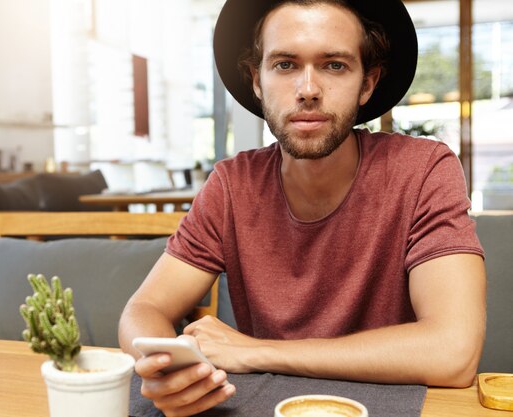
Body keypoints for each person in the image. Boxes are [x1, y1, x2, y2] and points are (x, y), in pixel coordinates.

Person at [119, 0, 486, 415]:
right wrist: (164, 369)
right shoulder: (231, 184)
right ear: (256, 81)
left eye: (334, 65)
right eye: (285, 65)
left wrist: (257, 352)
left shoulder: (423, 170)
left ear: (368, 83)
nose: (308, 89)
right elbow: (142, 310)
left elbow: (453, 352)